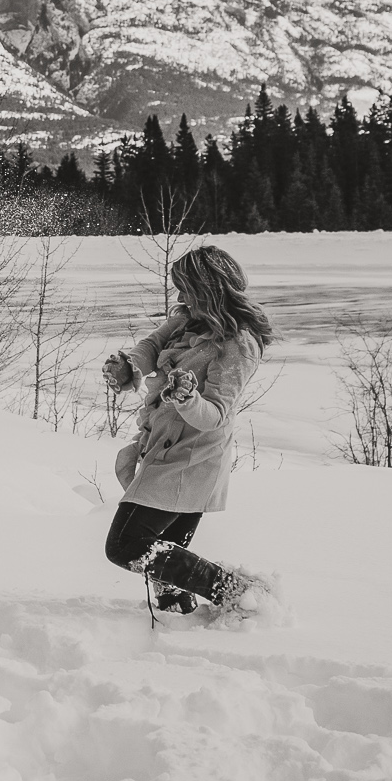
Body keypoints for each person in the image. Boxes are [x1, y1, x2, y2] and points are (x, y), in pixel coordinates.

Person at [101, 245, 274, 614]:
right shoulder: (185, 321)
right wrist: (129, 366)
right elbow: (151, 345)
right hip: (164, 448)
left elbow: (215, 414)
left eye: (186, 288)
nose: (180, 297)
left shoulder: (238, 344)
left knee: (125, 545)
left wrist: (186, 397)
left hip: (192, 460)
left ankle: (237, 592)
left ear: (209, 288)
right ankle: (182, 627)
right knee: (165, 564)